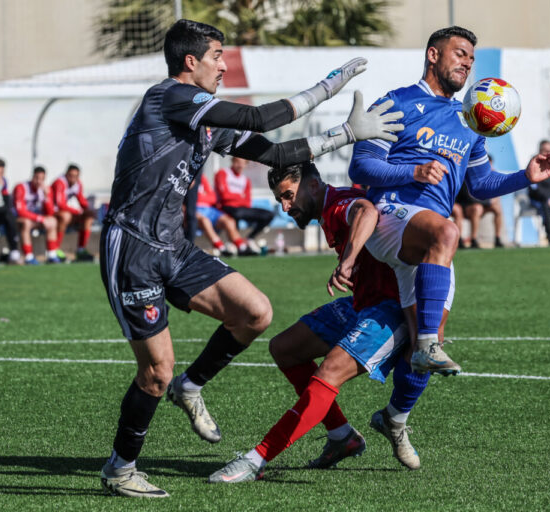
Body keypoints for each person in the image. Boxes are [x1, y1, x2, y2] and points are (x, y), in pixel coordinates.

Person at [98, 19, 403, 499]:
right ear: (190, 61)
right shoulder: (169, 98)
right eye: (217, 56)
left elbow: (277, 152)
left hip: (173, 247)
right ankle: (120, 468)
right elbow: (260, 119)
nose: (223, 65)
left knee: (255, 312)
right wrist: (327, 88)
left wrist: (346, 133)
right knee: (155, 373)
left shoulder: (203, 119)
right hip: (133, 248)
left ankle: (191, 386)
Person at [209, 161, 452, 483]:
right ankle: (341, 436)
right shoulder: (327, 210)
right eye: (280, 199)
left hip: (391, 310)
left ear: (312, 185)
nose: (285, 207)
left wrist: (347, 262)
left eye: (288, 196)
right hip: (362, 303)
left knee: (328, 374)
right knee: (284, 348)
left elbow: (366, 211)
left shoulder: (337, 205)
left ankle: (256, 460)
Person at [349, 26, 550, 376]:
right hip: (389, 214)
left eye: (471, 58)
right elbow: (361, 166)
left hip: (428, 234)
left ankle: (401, 398)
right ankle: (426, 345)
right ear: (433, 55)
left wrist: (525, 176)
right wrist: (414, 172)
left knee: (429, 340)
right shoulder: (397, 102)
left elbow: (480, 184)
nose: (467, 63)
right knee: (448, 233)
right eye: (460, 53)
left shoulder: (470, 121)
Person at [214, 156, 272, 255]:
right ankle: (237, 244)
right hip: (225, 208)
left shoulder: (246, 180)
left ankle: (249, 239)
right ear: (232, 161)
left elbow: (247, 202)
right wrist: (240, 196)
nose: (240, 165)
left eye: (243, 163)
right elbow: (224, 196)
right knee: (236, 213)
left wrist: (233, 197)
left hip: (241, 209)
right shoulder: (223, 173)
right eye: (237, 162)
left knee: (268, 215)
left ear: (246, 165)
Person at [13, 166, 62, 264]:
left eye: (41, 179)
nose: (39, 181)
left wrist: (47, 197)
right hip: (20, 219)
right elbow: (20, 211)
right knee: (26, 223)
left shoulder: (45, 189)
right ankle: (28, 256)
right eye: (36, 178)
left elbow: (50, 213)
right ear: (32, 177)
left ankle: (52, 255)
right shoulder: (21, 187)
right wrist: (40, 218)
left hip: (36, 219)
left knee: (52, 221)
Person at [51, 163, 97, 262]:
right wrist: (77, 211)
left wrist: (88, 210)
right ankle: (55, 250)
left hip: (65, 212)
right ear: (66, 174)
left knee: (88, 217)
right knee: (66, 216)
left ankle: (81, 250)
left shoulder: (78, 184)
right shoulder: (59, 182)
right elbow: (60, 204)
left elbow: (81, 200)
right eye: (70, 175)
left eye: (76, 176)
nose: (73, 178)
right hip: (52, 212)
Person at [194, 174, 244, 256]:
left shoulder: (201, 177)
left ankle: (241, 247)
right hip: (194, 209)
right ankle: (220, 247)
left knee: (229, 221)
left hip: (209, 208)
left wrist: (199, 197)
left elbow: (213, 198)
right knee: (205, 221)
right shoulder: (183, 177)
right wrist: (204, 196)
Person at [452, 182, 505, 249]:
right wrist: (488, 201)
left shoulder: (483, 178)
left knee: (497, 208)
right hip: (465, 205)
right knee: (477, 209)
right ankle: (472, 240)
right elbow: (469, 197)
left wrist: (493, 199)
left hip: (479, 203)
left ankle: (497, 239)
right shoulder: (466, 178)